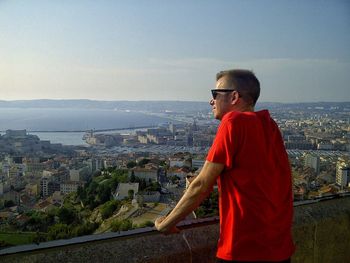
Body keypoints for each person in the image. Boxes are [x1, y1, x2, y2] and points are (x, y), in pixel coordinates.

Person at [155, 69, 295, 262]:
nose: (211, 101)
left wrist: (167, 223)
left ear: (234, 97)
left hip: (243, 248)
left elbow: (201, 185)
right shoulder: (269, 125)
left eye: (215, 94)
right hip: (279, 248)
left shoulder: (233, 122)